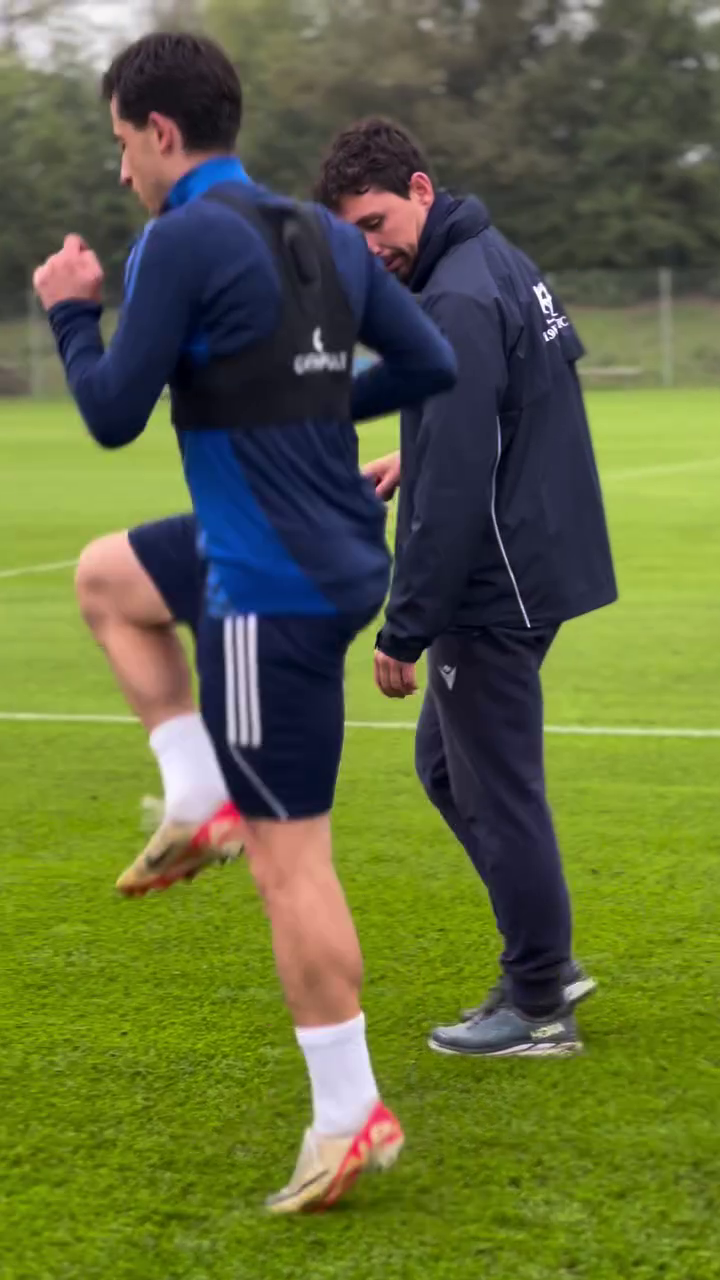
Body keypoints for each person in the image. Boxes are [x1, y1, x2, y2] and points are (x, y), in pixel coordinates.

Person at [32, 40, 457, 1212]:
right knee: (108, 578)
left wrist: (71, 313)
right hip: (321, 546)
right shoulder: (320, 233)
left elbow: (113, 411)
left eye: (123, 144)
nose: (123, 170)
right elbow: (427, 360)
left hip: (268, 589)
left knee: (291, 863)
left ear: (162, 131)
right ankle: (194, 792)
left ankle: (348, 1113)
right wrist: (305, 404)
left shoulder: (177, 239)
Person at [316, 117, 618, 1059]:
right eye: (352, 236)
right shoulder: (494, 259)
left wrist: (404, 627)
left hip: (495, 579)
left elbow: (457, 486)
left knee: (496, 787)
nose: (370, 249)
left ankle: (538, 1000)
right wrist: (418, 452)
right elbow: (520, 395)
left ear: (420, 187)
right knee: (451, 771)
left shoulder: (454, 295)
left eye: (375, 223)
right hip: (534, 553)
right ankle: (545, 958)